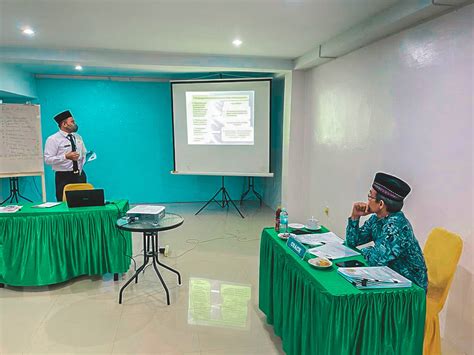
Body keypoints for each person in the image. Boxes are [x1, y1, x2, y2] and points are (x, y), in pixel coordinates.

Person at [345, 172, 428, 291]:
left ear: (381, 204)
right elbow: (352, 241)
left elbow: (375, 261)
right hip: (389, 276)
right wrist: (355, 217)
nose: (367, 200)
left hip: (410, 288)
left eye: (370, 196)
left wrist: (368, 250)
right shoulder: (377, 218)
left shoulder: (397, 227)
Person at [44, 110, 87, 201]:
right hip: (63, 177)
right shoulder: (53, 139)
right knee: (64, 203)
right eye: (72, 122)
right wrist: (65, 157)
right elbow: (48, 159)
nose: (75, 124)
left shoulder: (78, 137)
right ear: (64, 124)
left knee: (82, 202)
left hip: (79, 175)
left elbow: (83, 154)